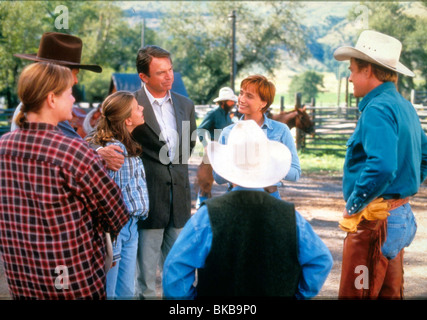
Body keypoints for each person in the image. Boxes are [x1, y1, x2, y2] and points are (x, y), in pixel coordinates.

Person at [0, 62, 129, 299]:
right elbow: (117, 214)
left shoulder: (3, 147)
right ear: (51, 99)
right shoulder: (74, 152)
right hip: (73, 283)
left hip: (22, 280)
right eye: (69, 93)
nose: (73, 100)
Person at [163, 120, 333, 299]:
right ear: (266, 166)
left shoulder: (207, 216)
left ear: (228, 166)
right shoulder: (291, 217)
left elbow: (175, 269)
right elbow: (321, 260)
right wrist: (297, 295)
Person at [333, 30, 427, 299]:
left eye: (352, 70)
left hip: (376, 221)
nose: (349, 77)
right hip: (399, 215)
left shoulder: (376, 108)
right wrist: (404, 190)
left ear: (368, 70)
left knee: (357, 294)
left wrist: (354, 206)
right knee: (389, 293)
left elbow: (383, 166)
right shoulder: (404, 106)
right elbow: (425, 154)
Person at [132, 45, 197, 299]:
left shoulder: (186, 105)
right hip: (147, 201)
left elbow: (188, 145)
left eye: (170, 70)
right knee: (145, 280)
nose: (169, 76)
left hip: (179, 200)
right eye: (160, 72)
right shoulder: (130, 104)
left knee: (180, 275)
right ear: (143, 77)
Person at [11, 31, 124, 171]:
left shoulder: (30, 107)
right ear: (58, 74)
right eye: (74, 74)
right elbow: (76, 151)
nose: (76, 81)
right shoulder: (49, 110)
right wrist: (98, 155)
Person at [86, 91, 149, 299]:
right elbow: (112, 197)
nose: (142, 109)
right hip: (117, 228)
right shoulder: (116, 150)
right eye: (137, 107)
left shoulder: (127, 143)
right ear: (127, 119)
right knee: (111, 291)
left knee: (126, 290)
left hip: (130, 226)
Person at [213, 75, 301, 199]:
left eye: (249, 96)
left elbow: (295, 173)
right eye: (241, 93)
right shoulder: (228, 132)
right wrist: (232, 163)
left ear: (263, 103)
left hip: (269, 197)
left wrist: (269, 163)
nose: (241, 99)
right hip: (235, 197)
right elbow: (218, 178)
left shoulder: (280, 130)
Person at [195, 87, 238, 208]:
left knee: (232, 175)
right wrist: (205, 144)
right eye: (231, 101)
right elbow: (201, 129)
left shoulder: (228, 115)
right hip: (214, 147)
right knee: (207, 177)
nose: (233, 103)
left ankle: (231, 199)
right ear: (223, 102)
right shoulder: (213, 113)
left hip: (227, 149)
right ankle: (201, 202)